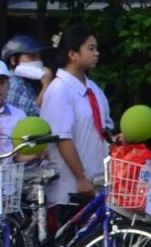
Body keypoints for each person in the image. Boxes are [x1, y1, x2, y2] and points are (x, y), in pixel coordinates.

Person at [39, 25, 109, 205]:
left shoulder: (93, 88)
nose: (97, 53)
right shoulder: (59, 89)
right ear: (73, 54)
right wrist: (80, 177)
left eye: (96, 48)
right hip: (71, 183)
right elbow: (62, 138)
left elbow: (103, 129)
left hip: (99, 177)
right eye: (91, 48)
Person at [1, 33, 47, 118]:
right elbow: (33, 114)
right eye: (32, 57)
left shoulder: (26, 81)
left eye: (38, 57)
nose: (38, 61)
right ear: (13, 60)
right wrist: (46, 85)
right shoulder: (14, 84)